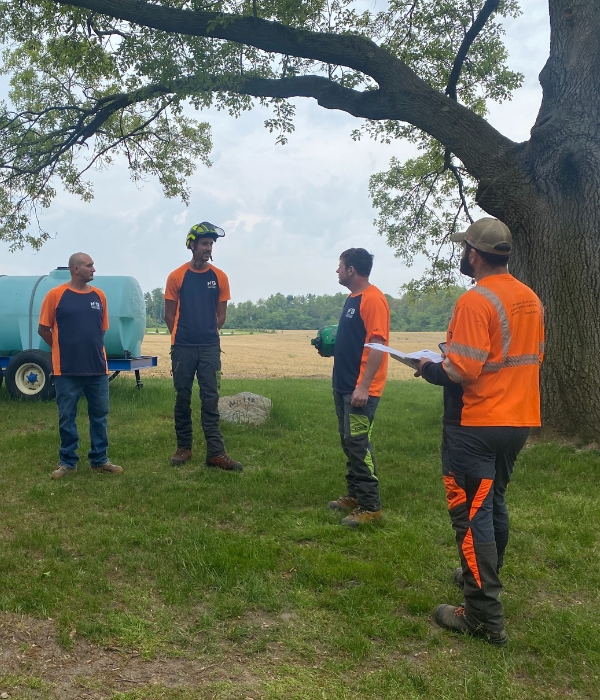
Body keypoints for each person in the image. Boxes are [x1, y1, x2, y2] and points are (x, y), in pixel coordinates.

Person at [414, 218, 544, 646]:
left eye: (463, 248)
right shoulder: (530, 298)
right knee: (493, 504)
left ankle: (483, 616)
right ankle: (479, 578)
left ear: (474, 252)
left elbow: (462, 369)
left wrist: (428, 368)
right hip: (518, 420)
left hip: (476, 423)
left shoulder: (475, 300)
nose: (462, 255)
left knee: (471, 517)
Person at [164, 222, 243, 471]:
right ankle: (184, 447)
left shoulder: (220, 277)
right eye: (204, 244)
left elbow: (221, 316)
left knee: (210, 398)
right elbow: (168, 315)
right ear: (192, 245)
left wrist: (207, 334)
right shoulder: (176, 276)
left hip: (209, 347)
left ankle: (216, 453)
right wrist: (182, 337)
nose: (208, 248)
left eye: (210, 244)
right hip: (182, 348)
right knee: (182, 398)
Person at [38, 253, 123, 479]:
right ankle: (68, 462)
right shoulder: (56, 295)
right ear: (75, 269)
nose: (93, 269)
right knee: (67, 416)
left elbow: (101, 330)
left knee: (100, 416)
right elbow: (43, 329)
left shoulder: (99, 296)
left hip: (97, 369)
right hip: (66, 370)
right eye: (89, 265)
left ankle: (100, 460)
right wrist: (60, 348)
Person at [328, 248, 390, 527]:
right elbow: (354, 341)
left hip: (359, 390)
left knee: (359, 444)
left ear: (351, 269)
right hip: (344, 385)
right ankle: (354, 494)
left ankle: (370, 506)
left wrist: (364, 387)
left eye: (340, 266)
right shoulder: (353, 299)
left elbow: (378, 345)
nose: (337, 271)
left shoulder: (373, 299)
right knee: (348, 442)